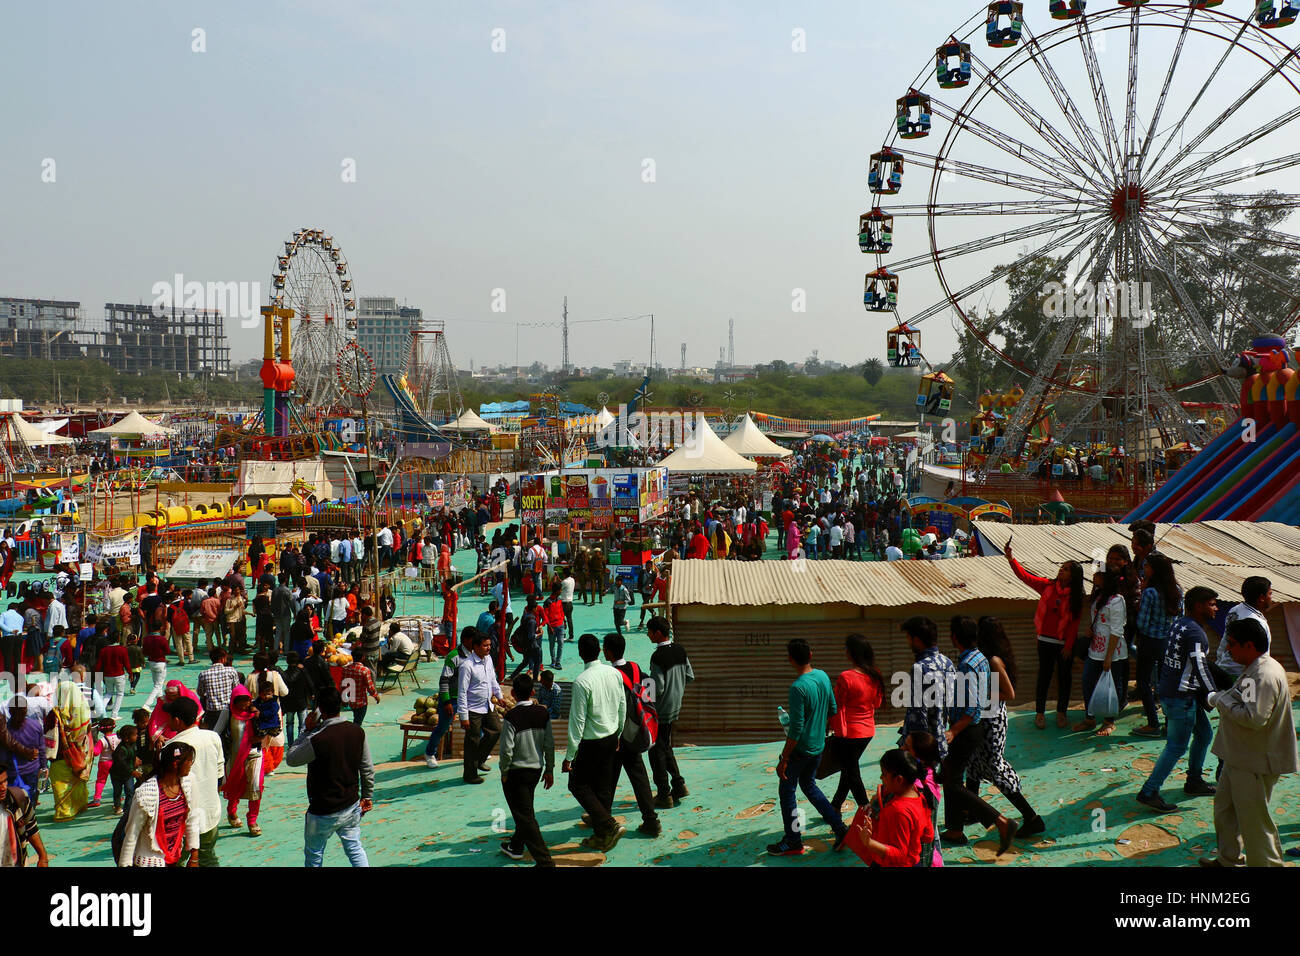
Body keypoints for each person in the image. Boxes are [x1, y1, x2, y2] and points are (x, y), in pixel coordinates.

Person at [1198, 617, 1297, 868]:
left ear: (1249, 645)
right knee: (1225, 810)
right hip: (1240, 756)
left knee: (1254, 822)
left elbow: (1253, 718)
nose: (1229, 649)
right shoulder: (1255, 669)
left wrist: (1219, 700)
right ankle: (1228, 859)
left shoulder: (1261, 674)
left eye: (1232, 644)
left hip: (1253, 761)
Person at [937, 617, 1019, 855]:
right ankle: (954, 830)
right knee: (952, 778)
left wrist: (953, 730)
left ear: (954, 637)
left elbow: (972, 708)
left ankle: (1001, 822)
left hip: (966, 729)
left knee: (952, 782)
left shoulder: (968, 665)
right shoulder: (978, 658)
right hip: (971, 728)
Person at [1137, 586, 1221, 812]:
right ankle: (1149, 791)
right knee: (1176, 746)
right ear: (1198, 606)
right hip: (1181, 698)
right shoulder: (1195, 633)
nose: (1216, 608)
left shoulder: (1179, 624)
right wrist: (1213, 693)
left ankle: (1194, 781)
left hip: (1175, 693)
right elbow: (1200, 665)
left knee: (1204, 734)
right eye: (1212, 603)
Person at [770, 638, 847, 855]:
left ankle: (793, 839)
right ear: (811, 655)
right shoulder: (822, 676)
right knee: (809, 786)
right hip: (818, 747)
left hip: (800, 750)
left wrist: (784, 758)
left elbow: (796, 729)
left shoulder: (798, 688)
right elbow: (832, 709)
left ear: (790, 659)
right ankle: (840, 828)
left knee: (787, 791)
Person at [967, 617, 1044, 836]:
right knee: (973, 764)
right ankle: (972, 812)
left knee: (994, 767)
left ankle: (1032, 817)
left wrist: (980, 695)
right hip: (984, 717)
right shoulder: (987, 659)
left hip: (993, 721)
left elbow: (1009, 694)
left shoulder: (993, 661)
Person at [286, 684, 374, 867]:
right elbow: (367, 768)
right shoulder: (357, 731)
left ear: (320, 710)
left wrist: (306, 730)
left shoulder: (317, 739)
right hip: (350, 805)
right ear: (340, 705)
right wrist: (367, 796)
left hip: (322, 810)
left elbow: (292, 759)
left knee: (314, 855)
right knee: (355, 849)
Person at [1005, 544, 1084, 729]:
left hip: (1064, 644)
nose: (1061, 571)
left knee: (1065, 679)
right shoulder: (1047, 586)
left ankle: (1061, 713)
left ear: (1073, 576)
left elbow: (1074, 624)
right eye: (1061, 568)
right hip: (1045, 641)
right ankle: (1039, 714)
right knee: (1044, 678)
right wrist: (1011, 558)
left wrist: (1068, 647)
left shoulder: (1076, 596)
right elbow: (1025, 577)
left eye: (1065, 569)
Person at [565, 632, 627, 852]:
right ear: (600, 650)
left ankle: (607, 825)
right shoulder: (613, 673)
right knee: (602, 787)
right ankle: (602, 833)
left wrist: (569, 755)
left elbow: (577, 721)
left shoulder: (582, 681)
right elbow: (622, 706)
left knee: (577, 784)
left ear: (581, 653)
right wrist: (618, 734)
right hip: (611, 738)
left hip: (591, 742)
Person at [603, 632, 660, 837]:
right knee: (638, 776)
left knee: (609, 776)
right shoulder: (635, 668)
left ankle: (604, 818)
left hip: (618, 735)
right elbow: (650, 690)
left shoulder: (611, 675)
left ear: (608, 651)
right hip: (636, 731)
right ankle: (650, 820)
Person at [498, 673, 556, 866]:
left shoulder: (511, 717)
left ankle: (544, 860)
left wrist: (504, 772)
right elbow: (549, 744)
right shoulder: (543, 713)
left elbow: (506, 750)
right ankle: (515, 846)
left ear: (513, 693)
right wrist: (549, 769)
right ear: (533, 692)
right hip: (536, 770)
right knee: (525, 809)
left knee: (525, 815)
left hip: (516, 772)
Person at [118, 740, 201, 867]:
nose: (191, 764)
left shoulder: (186, 784)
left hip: (173, 858)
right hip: (149, 862)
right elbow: (132, 834)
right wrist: (124, 864)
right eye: (189, 761)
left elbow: (192, 819)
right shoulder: (146, 795)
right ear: (175, 764)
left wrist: (194, 856)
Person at [165, 695, 225, 866]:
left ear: (176, 720)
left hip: (182, 821)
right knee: (207, 857)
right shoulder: (213, 737)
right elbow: (220, 775)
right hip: (210, 811)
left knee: (175, 860)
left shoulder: (171, 747)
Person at [828, 634, 883, 815]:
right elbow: (877, 703)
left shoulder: (846, 677)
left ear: (851, 653)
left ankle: (868, 811)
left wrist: (833, 728)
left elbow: (837, 706)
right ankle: (835, 805)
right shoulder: (875, 675)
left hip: (849, 733)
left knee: (852, 773)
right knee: (848, 769)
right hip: (868, 730)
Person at [856, 749, 935, 867]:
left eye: (884, 774)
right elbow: (928, 836)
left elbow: (899, 855)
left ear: (899, 779)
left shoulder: (897, 810)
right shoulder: (920, 797)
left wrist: (869, 843)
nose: (881, 777)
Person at [1133, 554, 1182, 737]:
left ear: (1153, 570)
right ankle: (1169, 723)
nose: (1144, 570)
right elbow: (1179, 617)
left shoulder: (1150, 592)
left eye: (1146, 567)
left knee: (1144, 681)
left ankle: (1152, 723)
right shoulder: (1177, 590)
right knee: (1165, 683)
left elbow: (1142, 623)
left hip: (1150, 641)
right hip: (1169, 642)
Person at [647, 615, 692, 808]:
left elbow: (658, 688)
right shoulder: (680, 650)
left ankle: (664, 794)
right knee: (665, 746)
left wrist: (642, 688)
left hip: (661, 711)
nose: (648, 635)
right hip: (675, 707)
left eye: (649, 632)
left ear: (658, 633)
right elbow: (689, 676)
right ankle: (679, 785)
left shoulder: (658, 656)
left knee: (655, 751)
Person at [1078, 568, 1128, 736]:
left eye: (1098, 575)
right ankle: (1089, 717)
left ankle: (1109, 721)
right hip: (1095, 649)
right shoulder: (1099, 596)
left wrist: (1108, 657)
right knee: (1088, 681)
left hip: (1112, 651)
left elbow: (1116, 630)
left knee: (1112, 686)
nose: (1094, 577)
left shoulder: (1117, 601)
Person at [458, 630, 503, 785]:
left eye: (489, 645)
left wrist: (500, 696)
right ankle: (470, 774)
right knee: (472, 741)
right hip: (473, 709)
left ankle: (479, 759)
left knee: (496, 730)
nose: (488, 648)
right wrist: (463, 717)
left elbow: (492, 679)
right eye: (485, 645)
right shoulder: (467, 665)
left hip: (487, 705)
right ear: (475, 647)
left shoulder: (488, 660)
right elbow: (462, 692)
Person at [424, 628, 473, 770]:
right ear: (465, 640)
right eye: (472, 640)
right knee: (443, 727)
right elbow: (444, 680)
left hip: (467, 698)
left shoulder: (474, 655)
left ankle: (475, 751)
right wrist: (446, 701)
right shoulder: (453, 656)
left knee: (474, 726)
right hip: (452, 699)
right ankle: (429, 753)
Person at [50, 679, 93, 822]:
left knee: (61, 782)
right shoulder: (84, 709)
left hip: (61, 754)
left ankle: (65, 811)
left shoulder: (55, 714)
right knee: (76, 778)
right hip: (80, 753)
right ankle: (79, 805)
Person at [1216, 576, 1273, 677]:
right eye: (1270, 594)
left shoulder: (1235, 610)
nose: (1271, 598)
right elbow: (1261, 656)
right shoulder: (1256, 623)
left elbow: (1224, 641)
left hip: (1223, 669)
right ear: (1261, 598)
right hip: (1240, 675)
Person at [0, 765, 49, 867]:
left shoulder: (18, 798)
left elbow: (31, 828)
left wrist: (43, 856)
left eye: (5, 781)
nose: (3, 787)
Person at [197, 647, 238, 736]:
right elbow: (236, 689)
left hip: (212, 711)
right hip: (228, 709)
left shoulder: (203, 674)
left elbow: (200, 693)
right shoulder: (231, 671)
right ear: (222, 658)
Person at [340, 647, 381, 727]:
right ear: (363, 657)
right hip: (360, 702)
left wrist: (343, 699)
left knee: (355, 721)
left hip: (349, 700)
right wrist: (376, 696)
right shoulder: (364, 670)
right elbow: (370, 687)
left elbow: (343, 685)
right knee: (358, 723)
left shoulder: (345, 669)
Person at [109, 725, 142, 815]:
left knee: (130, 791)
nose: (137, 736)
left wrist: (136, 758)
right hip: (117, 775)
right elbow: (121, 763)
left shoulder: (133, 745)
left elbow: (133, 754)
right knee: (117, 791)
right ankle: (117, 806)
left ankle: (127, 810)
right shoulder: (121, 750)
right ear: (127, 738)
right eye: (135, 735)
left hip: (127, 775)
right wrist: (132, 771)